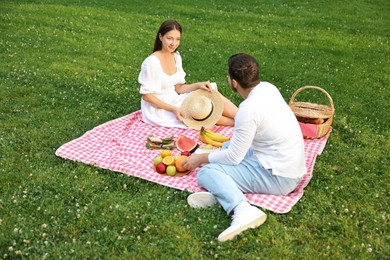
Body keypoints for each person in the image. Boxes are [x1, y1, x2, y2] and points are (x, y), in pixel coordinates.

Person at [183, 54, 306, 242]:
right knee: (226, 146)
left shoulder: (248, 110)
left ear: (233, 82)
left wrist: (201, 159)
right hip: (286, 162)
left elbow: (234, 158)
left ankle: (242, 210)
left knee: (206, 172)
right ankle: (222, 191)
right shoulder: (268, 88)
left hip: (281, 177)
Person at [138, 20, 237, 128]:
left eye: (177, 39)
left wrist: (198, 85)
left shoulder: (175, 56)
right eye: (169, 38)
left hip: (175, 98)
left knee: (209, 95)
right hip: (159, 108)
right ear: (160, 37)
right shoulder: (151, 62)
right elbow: (147, 96)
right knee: (202, 114)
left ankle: (243, 117)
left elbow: (179, 88)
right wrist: (173, 109)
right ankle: (243, 122)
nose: (173, 43)